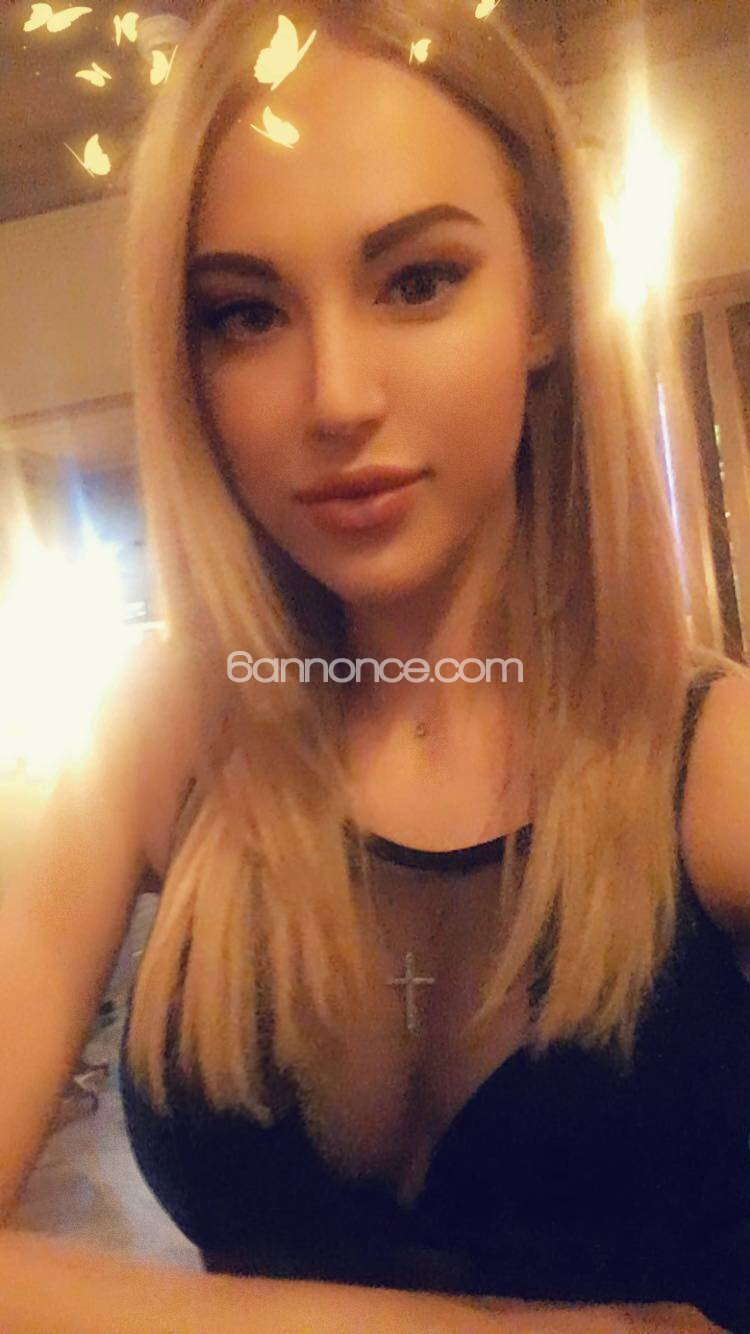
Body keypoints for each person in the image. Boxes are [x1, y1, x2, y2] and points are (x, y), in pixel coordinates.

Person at [1, 1, 749, 1330]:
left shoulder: (714, 767)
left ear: (544, 301)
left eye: (416, 281)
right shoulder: (158, 732)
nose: (336, 396)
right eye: (246, 313)